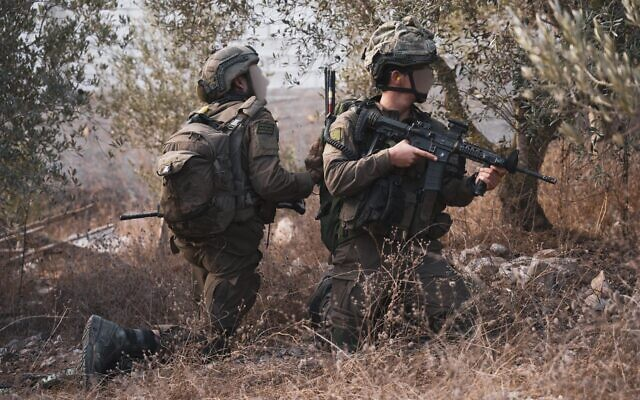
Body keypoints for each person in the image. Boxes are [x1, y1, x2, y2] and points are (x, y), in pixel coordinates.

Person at [81, 45, 314, 384]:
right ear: (239, 83)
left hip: (193, 238)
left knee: (211, 330)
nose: (262, 79)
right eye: (255, 72)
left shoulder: (198, 119)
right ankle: (115, 340)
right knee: (210, 339)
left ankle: (123, 358)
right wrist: (311, 179)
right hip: (230, 240)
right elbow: (271, 182)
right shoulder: (255, 117)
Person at [307, 17, 506, 351]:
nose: (429, 77)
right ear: (398, 76)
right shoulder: (352, 124)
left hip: (414, 246)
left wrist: (478, 183)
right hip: (363, 245)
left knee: (465, 318)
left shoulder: (433, 131)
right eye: (422, 69)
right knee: (343, 341)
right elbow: (337, 179)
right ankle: (334, 288)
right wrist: (389, 158)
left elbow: (448, 191)